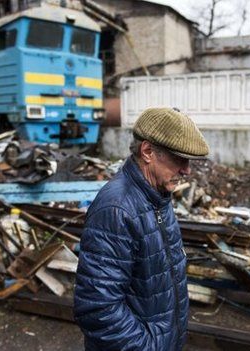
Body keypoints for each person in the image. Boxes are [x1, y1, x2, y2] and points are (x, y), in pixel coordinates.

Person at [74, 107, 209, 350]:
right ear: (147, 152)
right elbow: (98, 308)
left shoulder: (158, 196)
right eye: (179, 158)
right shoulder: (117, 209)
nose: (187, 169)